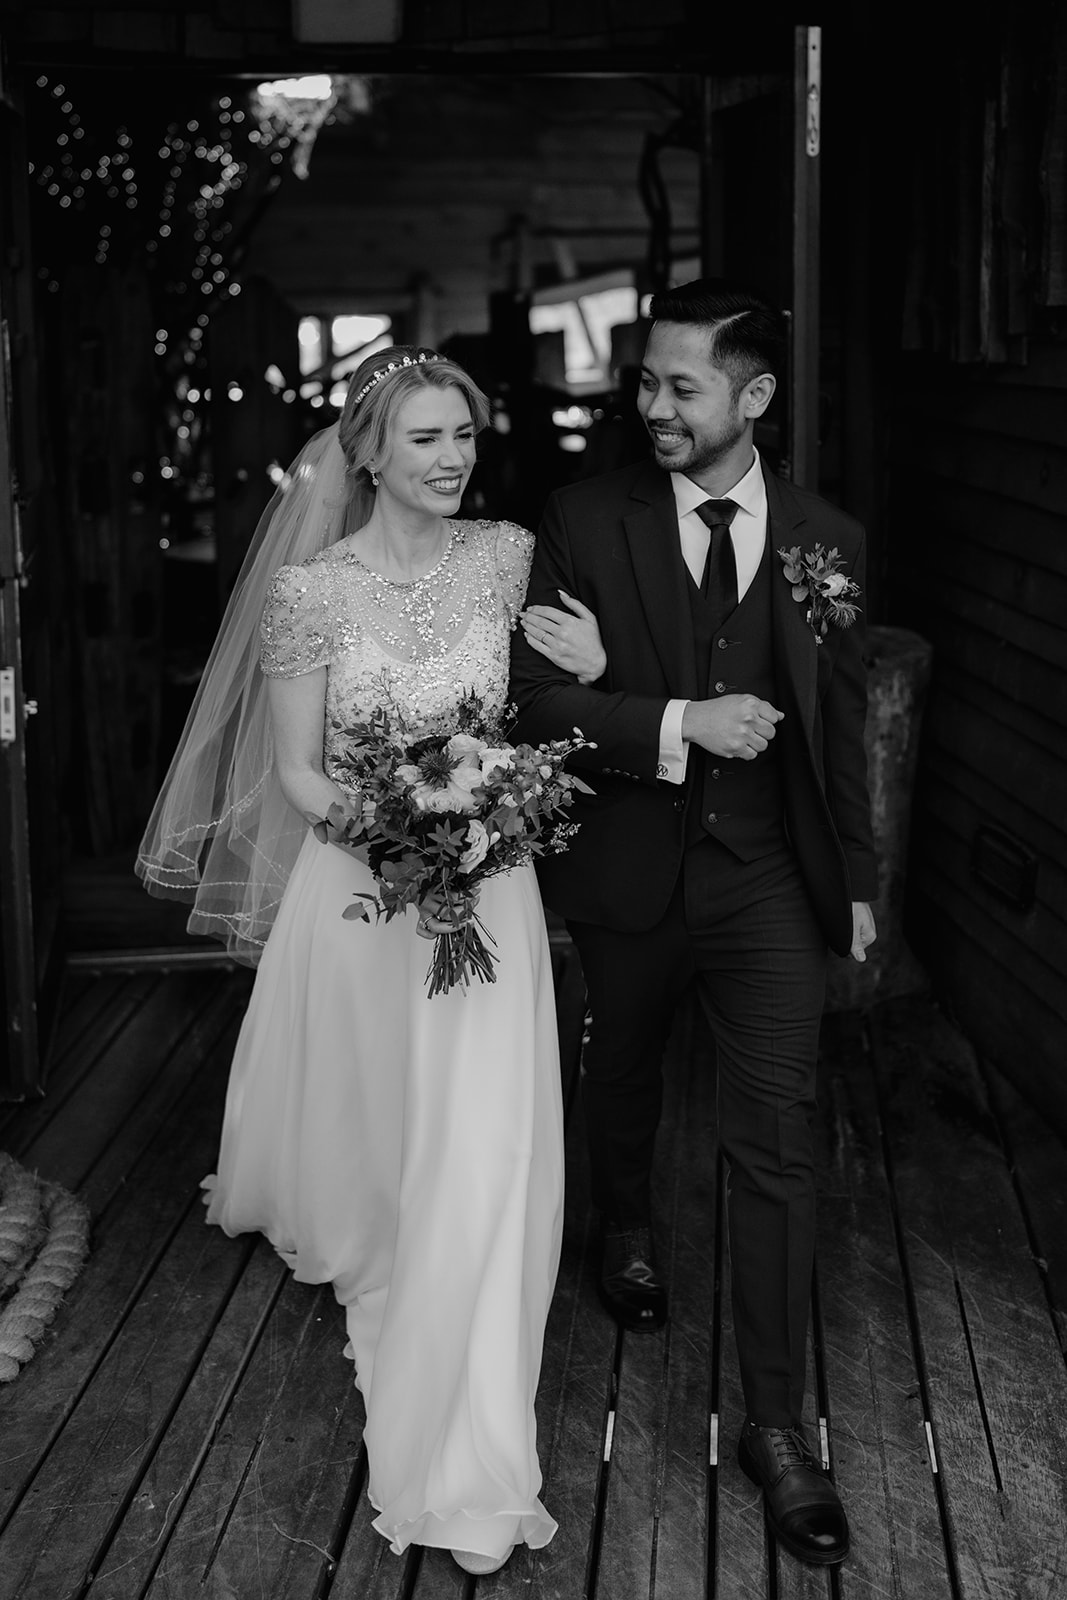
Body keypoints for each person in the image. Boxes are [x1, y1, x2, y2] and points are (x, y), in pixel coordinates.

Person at [136, 345, 605, 1577]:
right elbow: (297, 774)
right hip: (365, 889)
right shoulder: (310, 594)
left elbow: (563, 694)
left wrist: (590, 680)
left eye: (464, 436)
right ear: (367, 455)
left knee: (480, 1126)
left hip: (489, 888)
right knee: (372, 1113)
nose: (452, 459)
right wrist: (403, 838)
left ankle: (471, 1330)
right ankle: (368, 1214)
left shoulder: (508, 559)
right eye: (426, 440)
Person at [510, 282, 878, 1569]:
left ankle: (778, 1426)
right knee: (619, 1071)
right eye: (646, 381)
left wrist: (863, 881)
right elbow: (531, 701)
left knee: (776, 1139)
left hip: (770, 879)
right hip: (627, 868)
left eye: (680, 386)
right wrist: (666, 718)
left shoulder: (824, 536)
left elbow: (839, 728)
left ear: (752, 399)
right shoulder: (577, 519)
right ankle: (623, 1223)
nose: (649, 406)